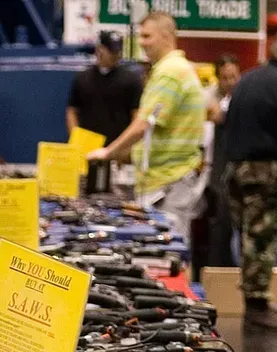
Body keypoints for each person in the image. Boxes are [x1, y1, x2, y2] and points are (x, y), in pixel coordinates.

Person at [88, 12, 207, 243]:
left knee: (170, 253)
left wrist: (108, 153)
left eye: (147, 36)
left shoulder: (170, 72)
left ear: (165, 36)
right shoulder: (172, 69)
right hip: (166, 181)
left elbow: (144, 124)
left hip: (170, 184)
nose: (141, 42)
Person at [222, 30, 277, 330]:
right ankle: (257, 306)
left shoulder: (246, 79)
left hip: (234, 168)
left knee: (245, 235)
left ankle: (252, 301)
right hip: (265, 169)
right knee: (261, 238)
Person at [65, 30, 142, 144]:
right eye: (111, 51)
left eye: (118, 51)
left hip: (118, 147)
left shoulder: (131, 79)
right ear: (99, 49)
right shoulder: (82, 78)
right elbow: (72, 111)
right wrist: (76, 139)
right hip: (88, 146)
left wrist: (127, 145)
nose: (116, 55)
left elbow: (137, 115)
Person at [204, 55, 242, 270]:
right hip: (217, 174)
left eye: (234, 77)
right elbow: (212, 114)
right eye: (225, 77)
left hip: (236, 172)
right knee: (219, 227)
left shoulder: (243, 97)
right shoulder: (211, 97)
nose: (230, 82)